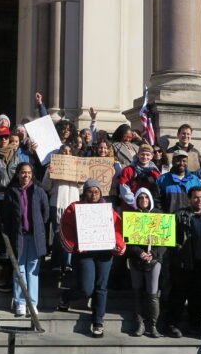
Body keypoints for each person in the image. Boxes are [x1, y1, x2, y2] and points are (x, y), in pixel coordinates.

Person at [58, 178, 125, 337]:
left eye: (96, 191)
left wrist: (119, 245)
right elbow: (65, 227)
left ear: (101, 193)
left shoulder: (108, 210)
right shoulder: (75, 208)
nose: (93, 194)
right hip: (84, 253)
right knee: (87, 289)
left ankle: (98, 321)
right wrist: (72, 245)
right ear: (85, 192)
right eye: (90, 191)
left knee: (101, 287)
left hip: (104, 253)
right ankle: (66, 296)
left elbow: (117, 228)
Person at [166, 187, 201, 338]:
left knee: (198, 298)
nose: (199, 200)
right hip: (183, 264)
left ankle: (196, 325)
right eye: (195, 197)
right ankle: (172, 325)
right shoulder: (180, 215)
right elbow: (168, 238)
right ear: (189, 199)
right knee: (178, 296)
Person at [2, 162, 50, 315]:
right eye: (23, 172)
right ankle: (20, 302)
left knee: (32, 271)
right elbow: (7, 216)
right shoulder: (11, 192)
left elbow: (46, 213)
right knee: (19, 270)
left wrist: (38, 226)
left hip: (35, 237)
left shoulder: (39, 191)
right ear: (17, 174)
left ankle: (32, 303)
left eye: (29, 172)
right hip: (19, 236)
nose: (26, 175)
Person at [125, 188, 166, 337]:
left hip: (154, 260)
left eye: (146, 198)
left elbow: (164, 241)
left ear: (150, 200)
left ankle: (153, 325)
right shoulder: (132, 217)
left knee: (152, 292)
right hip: (136, 259)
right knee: (137, 292)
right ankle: (140, 324)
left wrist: (153, 253)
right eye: (140, 198)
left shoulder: (158, 216)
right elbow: (128, 241)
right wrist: (139, 252)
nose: (143, 200)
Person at [42, 144, 82, 275]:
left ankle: (68, 262)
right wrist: (49, 173)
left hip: (73, 204)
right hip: (57, 203)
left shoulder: (77, 167)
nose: (67, 153)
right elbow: (46, 187)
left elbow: (81, 190)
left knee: (71, 234)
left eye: (69, 151)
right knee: (58, 233)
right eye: (64, 151)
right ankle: (56, 262)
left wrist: (81, 180)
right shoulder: (53, 166)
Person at [117, 143, 162, 208]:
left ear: (152, 156)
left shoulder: (155, 172)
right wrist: (135, 204)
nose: (145, 157)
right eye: (142, 154)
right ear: (138, 155)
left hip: (149, 207)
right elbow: (124, 189)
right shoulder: (128, 170)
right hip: (131, 207)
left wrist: (150, 204)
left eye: (147, 155)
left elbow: (158, 190)